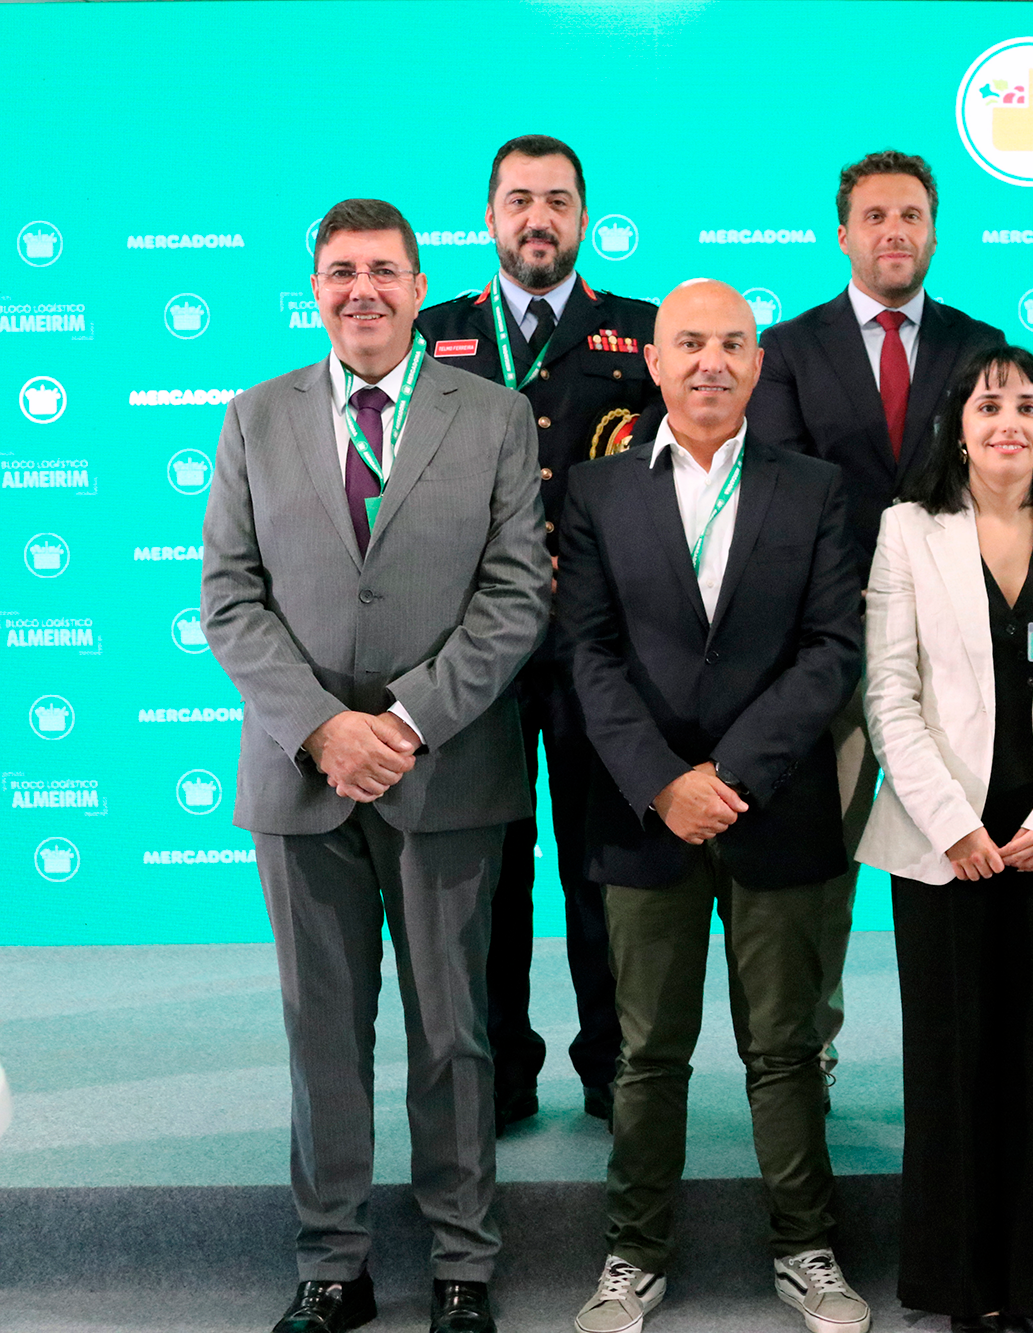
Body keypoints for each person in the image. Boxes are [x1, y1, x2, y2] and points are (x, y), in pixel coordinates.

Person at [202, 198, 550, 1333]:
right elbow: (229, 598)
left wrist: (400, 722)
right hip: (299, 776)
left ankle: (462, 1262)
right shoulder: (253, 417)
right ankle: (333, 1262)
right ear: (316, 289)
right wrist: (323, 727)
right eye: (343, 271)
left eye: (385, 270)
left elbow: (516, 595)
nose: (364, 289)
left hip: (444, 772)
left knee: (453, 1031)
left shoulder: (494, 415)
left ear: (418, 285)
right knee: (323, 1030)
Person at [559, 280, 870, 1333]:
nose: (711, 361)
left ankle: (807, 1249)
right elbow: (587, 651)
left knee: (784, 1049)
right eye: (688, 342)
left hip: (773, 804)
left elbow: (832, 648)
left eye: (732, 343)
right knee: (647, 1053)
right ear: (652, 361)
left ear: (757, 362)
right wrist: (663, 780)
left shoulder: (813, 487)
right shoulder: (598, 489)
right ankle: (632, 1255)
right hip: (642, 811)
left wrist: (730, 774)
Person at [859, 346, 1033, 1333]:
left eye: (1026, 406)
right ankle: (960, 1285)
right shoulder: (907, 530)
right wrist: (954, 825)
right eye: (988, 407)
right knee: (951, 1066)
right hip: (945, 847)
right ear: (959, 429)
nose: (1007, 421)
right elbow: (888, 692)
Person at [747, 149, 1005, 1084]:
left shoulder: (981, 345)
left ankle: (973, 1045)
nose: (895, 232)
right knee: (828, 856)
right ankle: (808, 1042)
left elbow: (997, 487)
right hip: (836, 643)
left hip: (960, 643)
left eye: (911, 216)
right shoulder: (787, 348)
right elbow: (783, 495)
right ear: (843, 234)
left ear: (934, 232)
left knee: (970, 837)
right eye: (876, 217)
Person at [416, 133, 657, 1131]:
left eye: (557, 200)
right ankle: (499, 1073)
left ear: (585, 217)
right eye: (519, 200)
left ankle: (615, 1068)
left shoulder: (641, 332)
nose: (538, 218)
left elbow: (670, 492)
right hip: (475, 651)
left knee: (606, 869)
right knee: (491, 872)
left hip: (601, 650)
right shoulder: (433, 332)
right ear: (489, 217)